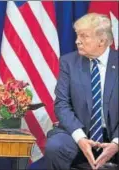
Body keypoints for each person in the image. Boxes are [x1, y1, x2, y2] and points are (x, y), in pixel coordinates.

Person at [45, 13, 118, 169]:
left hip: (114, 134)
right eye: (78, 36)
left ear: (102, 40)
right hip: (78, 131)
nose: (77, 41)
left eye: (84, 36)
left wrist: (116, 142)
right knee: (56, 146)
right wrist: (80, 138)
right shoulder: (69, 63)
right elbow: (61, 104)